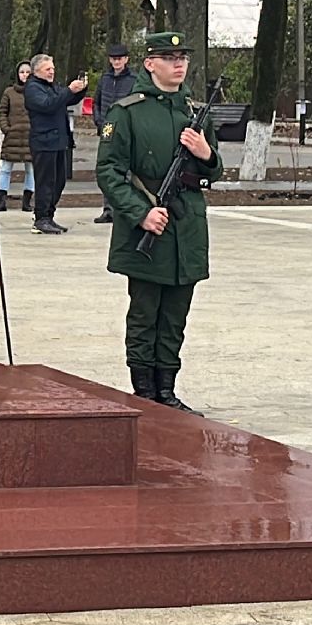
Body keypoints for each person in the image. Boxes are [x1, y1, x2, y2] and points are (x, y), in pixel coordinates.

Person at [94, 31, 221, 411]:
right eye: (169, 57)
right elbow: (109, 172)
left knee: (175, 318)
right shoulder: (127, 112)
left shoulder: (195, 112)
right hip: (148, 228)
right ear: (150, 64)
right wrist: (141, 213)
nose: (178, 63)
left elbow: (211, 175)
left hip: (187, 229)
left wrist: (207, 153)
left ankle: (167, 391)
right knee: (145, 315)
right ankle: (145, 392)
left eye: (182, 57)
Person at [24, 53, 87, 234]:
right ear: (36, 71)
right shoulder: (33, 88)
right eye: (48, 69)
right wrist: (68, 90)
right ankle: (41, 218)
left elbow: (65, 100)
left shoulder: (52, 86)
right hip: (43, 141)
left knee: (59, 182)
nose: (52, 72)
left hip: (59, 141)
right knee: (46, 182)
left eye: (53, 68)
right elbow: (48, 105)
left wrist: (80, 90)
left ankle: (49, 216)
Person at [92, 43, 136, 223]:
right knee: (107, 168)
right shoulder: (105, 79)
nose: (116, 62)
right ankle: (108, 209)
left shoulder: (134, 79)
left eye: (120, 58)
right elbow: (96, 102)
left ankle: (123, 209)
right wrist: (99, 120)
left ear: (126, 59)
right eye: (113, 59)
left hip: (126, 129)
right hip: (106, 128)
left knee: (126, 170)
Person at [0, 61, 33, 213]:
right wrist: (6, 128)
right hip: (13, 136)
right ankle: (1, 200)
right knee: (6, 169)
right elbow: (2, 112)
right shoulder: (9, 92)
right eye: (22, 72)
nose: (24, 75)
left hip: (30, 136)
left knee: (31, 169)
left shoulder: (36, 92)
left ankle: (27, 202)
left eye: (28, 72)